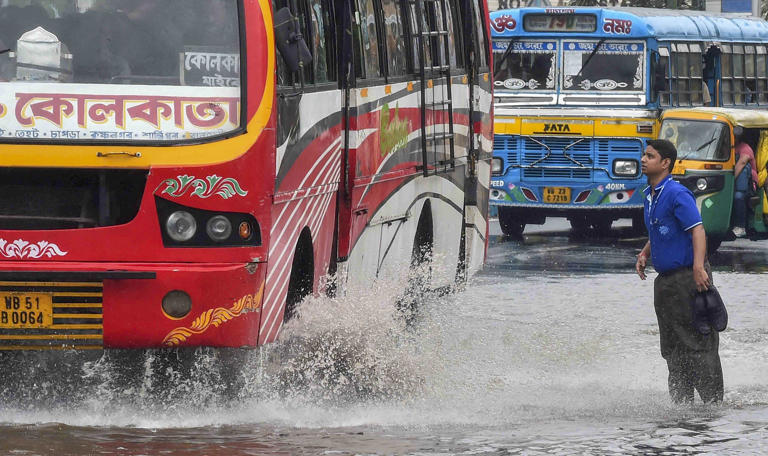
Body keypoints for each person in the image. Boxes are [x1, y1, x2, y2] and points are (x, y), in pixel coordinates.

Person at [635, 139, 724, 404]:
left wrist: (698, 267)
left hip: (688, 278)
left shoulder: (677, 193)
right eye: (644, 154)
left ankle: (712, 405)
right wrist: (645, 253)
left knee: (698, 344)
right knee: (672, 347)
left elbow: (697, 229)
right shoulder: (650, 195)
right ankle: (681, 404)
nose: (643, 159)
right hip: (665, 283)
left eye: (650, 156)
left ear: (665, 163)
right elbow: (661, 229)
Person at [733, 132, 758, 238]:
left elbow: (742, 163)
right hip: (735, 181)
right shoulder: (730, 147)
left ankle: (740, 226)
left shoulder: (745, 148)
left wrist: (730, 180)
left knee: (738, 196)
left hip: (748, 184)